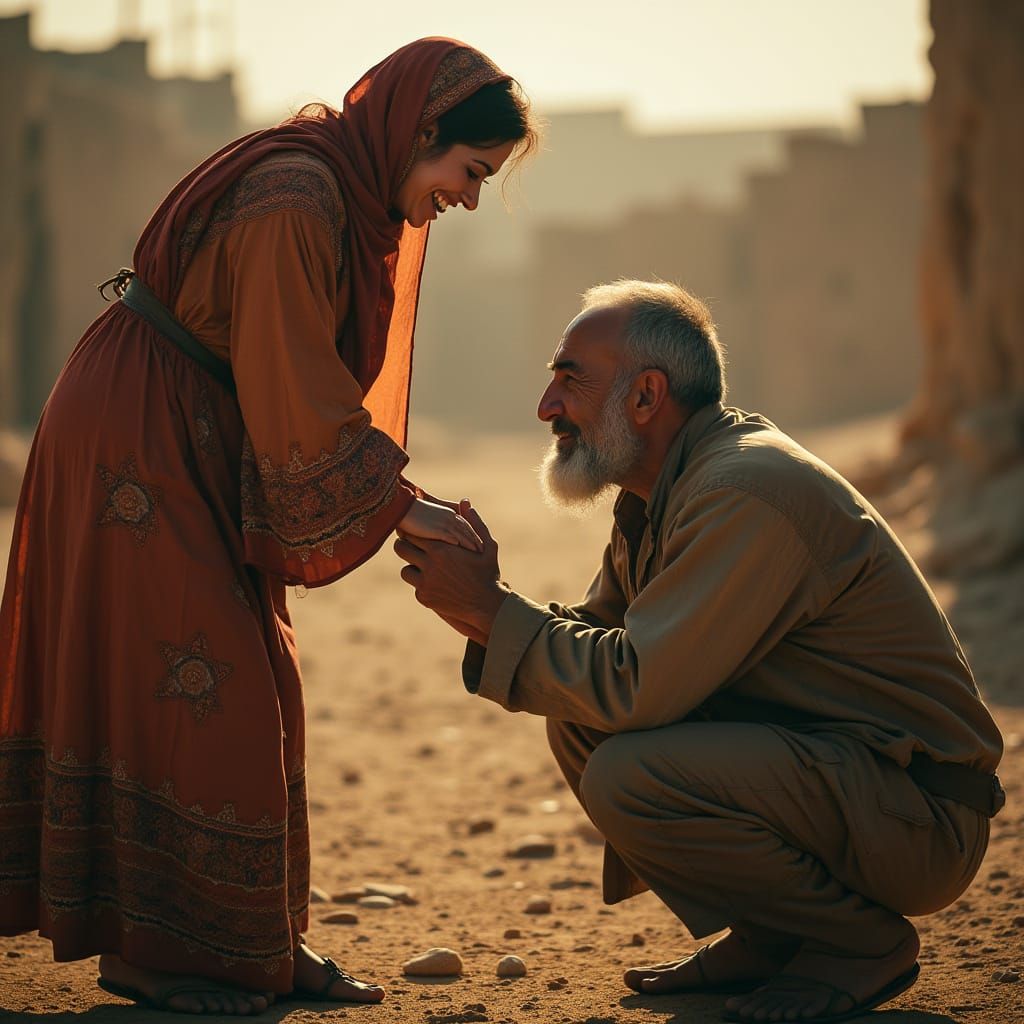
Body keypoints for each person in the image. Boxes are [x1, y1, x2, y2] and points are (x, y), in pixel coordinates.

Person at [0, 37, 537, 1016]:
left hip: (182, 426)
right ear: (420, 133)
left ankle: (229, 945)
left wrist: (393, 501)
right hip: (140, 435)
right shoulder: (299, 196)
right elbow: (297, 383)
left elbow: (291, 380)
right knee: (208, 684)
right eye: (469, 172)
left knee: (238, 679)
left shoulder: (335, 190)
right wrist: (406, 506)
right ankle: (183, 953)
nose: (465, 199)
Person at [395, 280, 1005, 1024]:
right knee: (580, 720)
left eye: (569, 379)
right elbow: (597, 649)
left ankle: (856, 942)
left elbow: (635, 685)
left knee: (627, 771)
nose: (547, 407)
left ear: (647, 397)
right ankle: (778, 934)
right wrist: (481, 607)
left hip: (919, 814)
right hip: (846, 778)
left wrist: (490, 611)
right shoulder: (665, 489)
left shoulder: (742, 490)